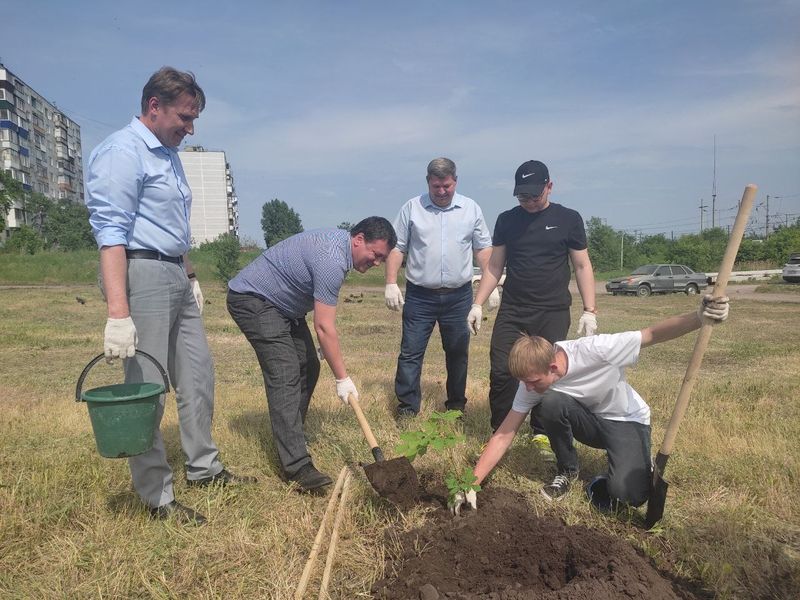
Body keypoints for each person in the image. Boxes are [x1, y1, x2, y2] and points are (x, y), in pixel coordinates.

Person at [85, 66, 254, 526]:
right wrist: (118, 313)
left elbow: (171, 229)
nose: (190, 128)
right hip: (140, 273)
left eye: (194, 118)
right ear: (154, 106)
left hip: (175, 273)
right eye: (185, 117)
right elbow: (111, 235)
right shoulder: (122, 152)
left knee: (198, 375)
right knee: (148, 386)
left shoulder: (168, 154)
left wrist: (190, 274)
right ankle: (156, 495)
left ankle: (204, 468)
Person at [451, 295, 730, 515]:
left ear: (553, 366)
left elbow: (651, 334)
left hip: (625, 420)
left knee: (629, 496)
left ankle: (615, 472)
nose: (528, 388)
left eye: (533, 382)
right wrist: (471, 482)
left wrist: (699, 317)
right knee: (549, 402)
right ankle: (567, 470)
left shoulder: (597, 349)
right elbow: (504, 434)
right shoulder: (533, 381)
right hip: (589, 422)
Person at [227, 217, 396, 493]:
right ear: (359, 240)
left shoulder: (340, 250)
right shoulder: (332, 260)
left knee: (308, 364)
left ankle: (290, 436)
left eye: (382, 258)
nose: (377, 262)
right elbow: (324, 327)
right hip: (253, 299)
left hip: (283, 307)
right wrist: (342, 379)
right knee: (285, 371)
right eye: (375, 254)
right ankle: (296, 467)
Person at [468, 160, 598, 442]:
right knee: (502, 370)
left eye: (534, 196)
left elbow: (582, 265)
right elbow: (495, 266)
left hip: (552, 311)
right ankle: (501, 432)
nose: (528, 202)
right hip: (514, 309)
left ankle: (542, 433)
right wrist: (477, 303)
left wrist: (590, 310)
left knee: (546, 373)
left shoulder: (569, 219)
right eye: (522, 196)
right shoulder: (507, 220)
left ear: (549, 187)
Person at [385, 158, 493, 418]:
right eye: (436, 187)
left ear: (455, 181)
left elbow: (482, 249)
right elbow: (397, 247)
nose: (442, 191)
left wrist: (491, 284)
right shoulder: (412, 208)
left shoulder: (471, 209)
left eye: (447, 186)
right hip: (420, 295)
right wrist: (390, 282)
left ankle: (456, 406)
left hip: (459, 296)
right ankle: (408, 408)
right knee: (411, 352)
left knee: (457, 353)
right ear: (428, 182)